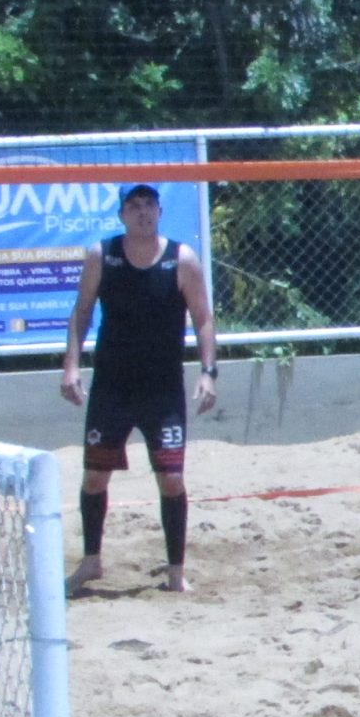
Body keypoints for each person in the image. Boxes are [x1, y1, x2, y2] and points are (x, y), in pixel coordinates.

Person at [59, 184, 217, 596]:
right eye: (134, 205)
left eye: (149, 204)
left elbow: (203, 318)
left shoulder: (181, 259)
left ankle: (176, 571)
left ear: (160, 211)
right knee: (95, 476)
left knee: (172, 480)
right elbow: (81, 311)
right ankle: (91, 562)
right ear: (122, 214)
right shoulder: (102, 255)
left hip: (161, 390)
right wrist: (71, 366)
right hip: (112, 386)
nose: (143, 212)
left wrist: (208, 372)